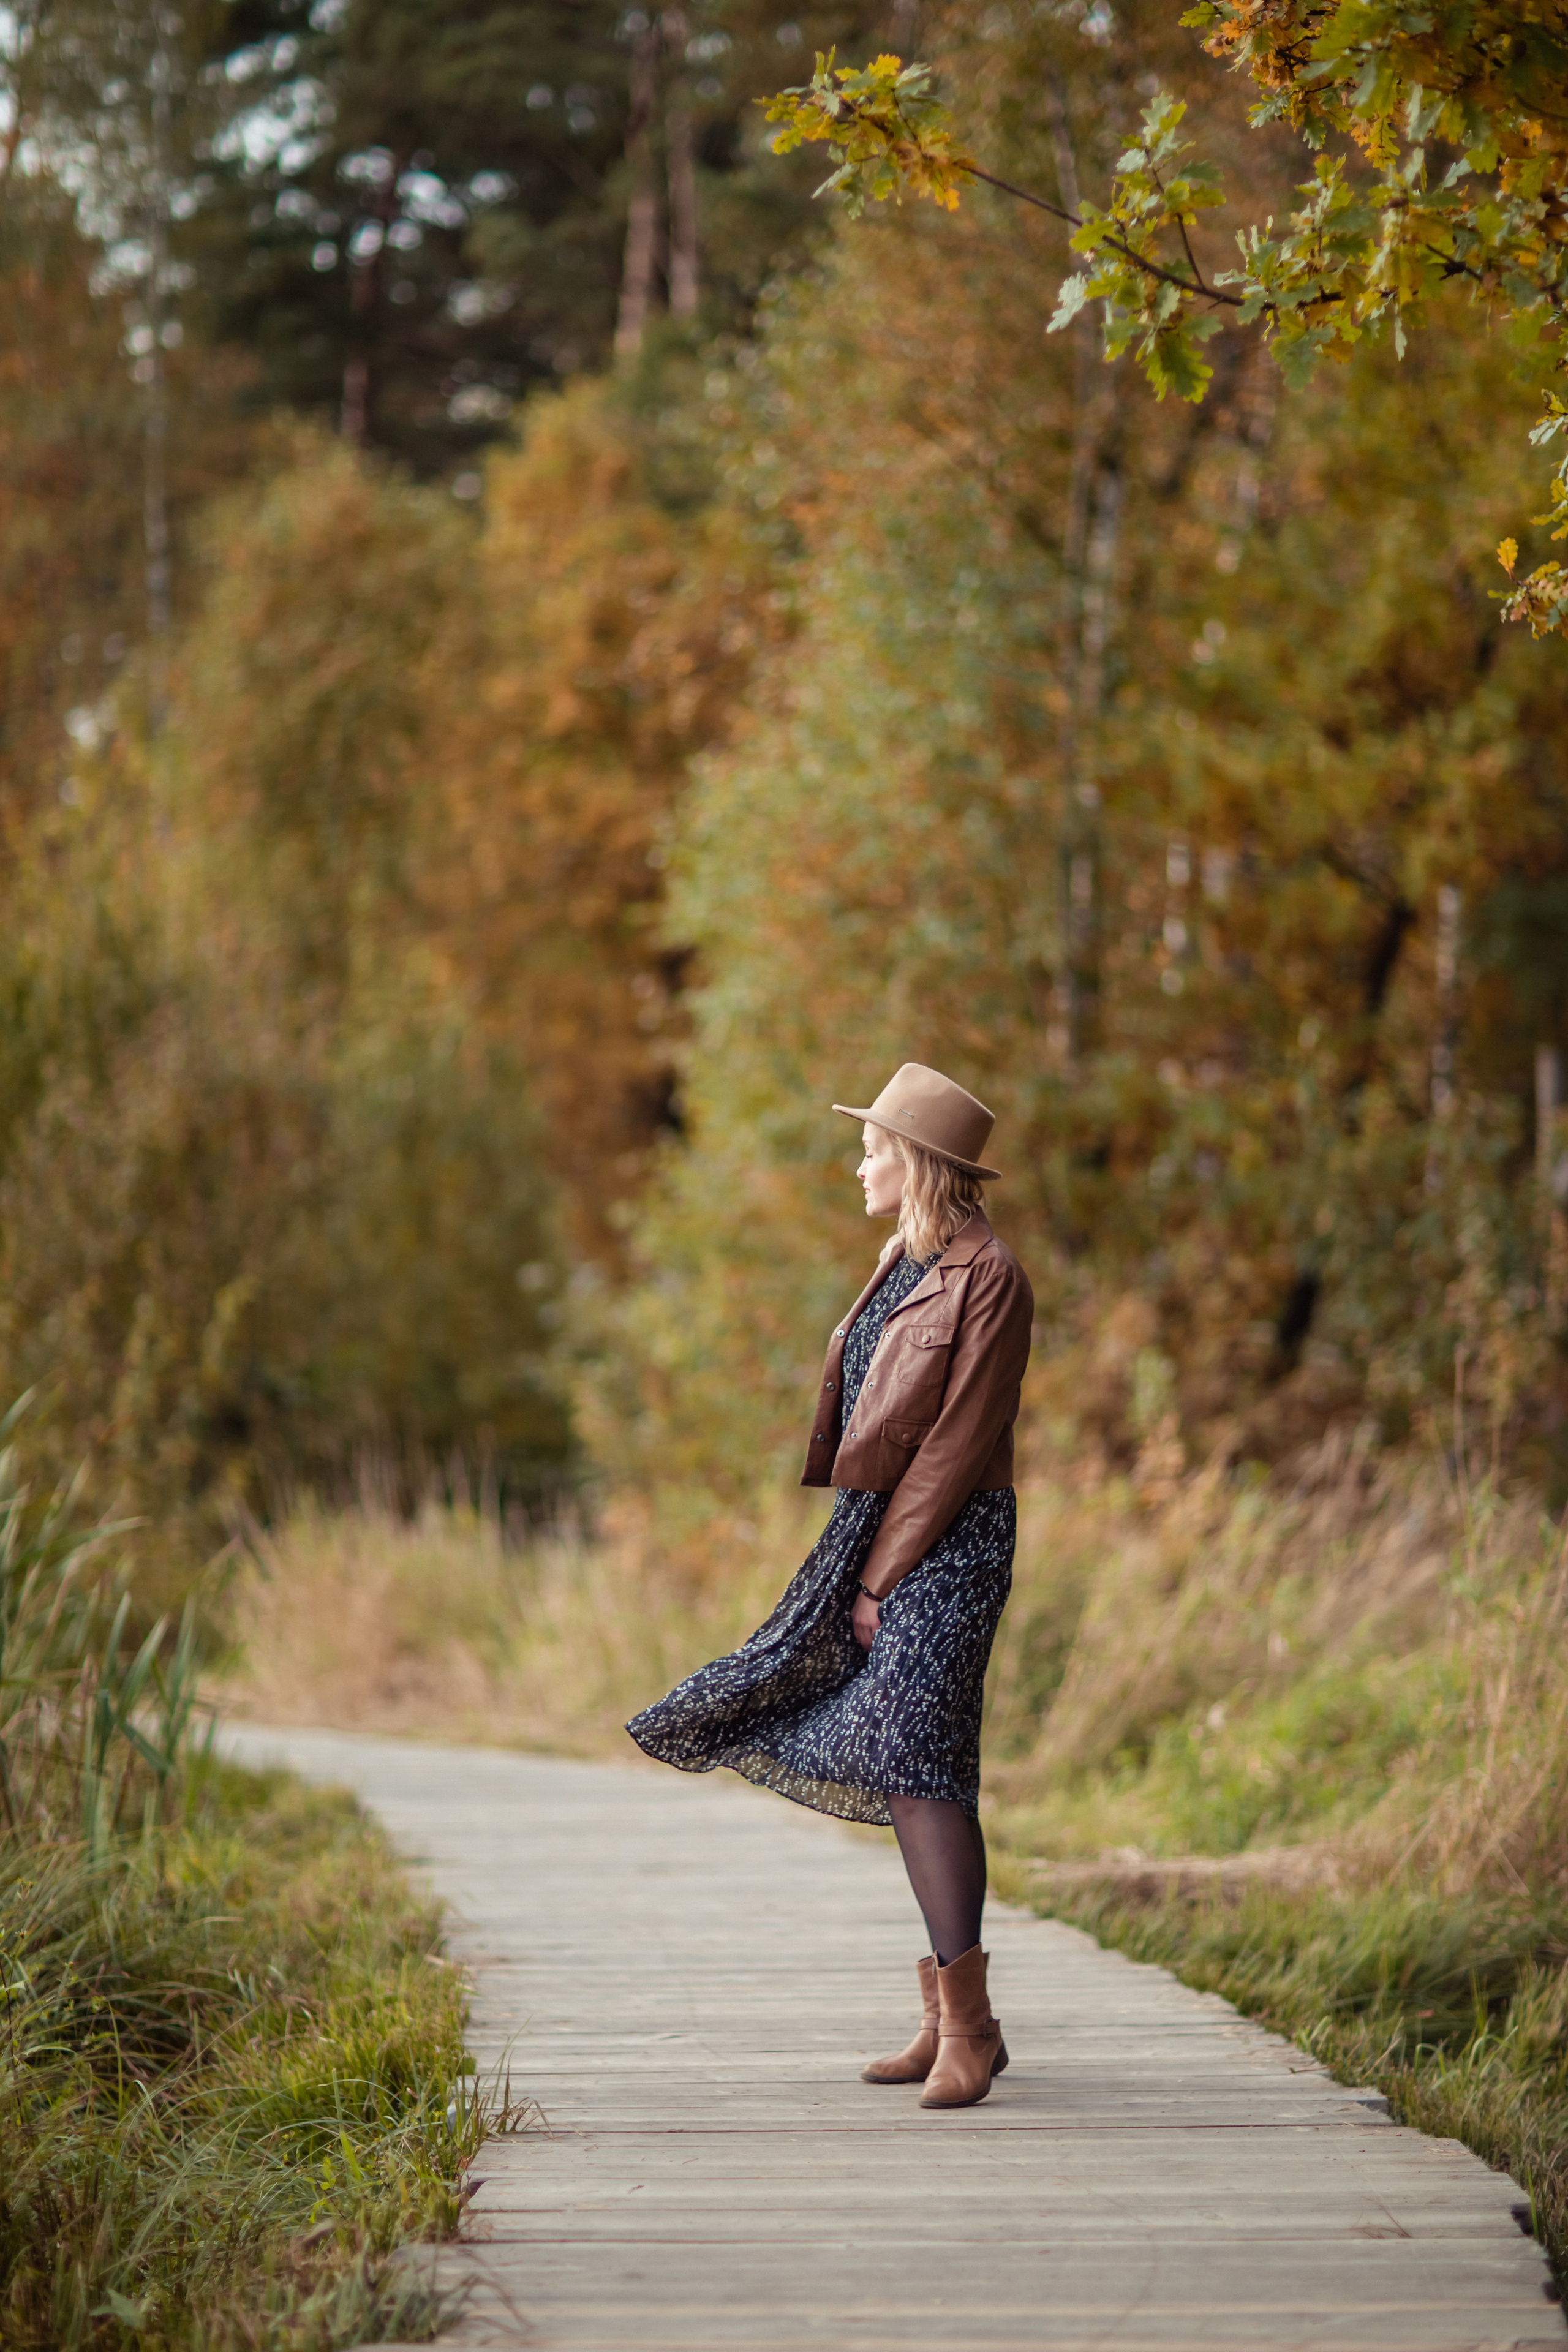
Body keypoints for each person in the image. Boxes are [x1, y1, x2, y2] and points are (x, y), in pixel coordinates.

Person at [627, 1062, 1034, 2110]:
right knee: (907, 1753)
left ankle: (972, 2029)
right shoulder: (903, 1261)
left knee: (920, 1753)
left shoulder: (991, 1277)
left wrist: (882, 1576)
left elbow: (953, 1447)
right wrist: (861, 1554)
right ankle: (950, 2018)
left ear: (918, 1161)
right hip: (885, 1528)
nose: (859, 1163)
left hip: (952, 1541)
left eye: (873, 1147)